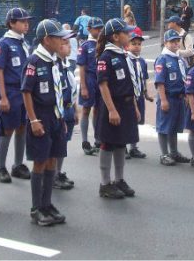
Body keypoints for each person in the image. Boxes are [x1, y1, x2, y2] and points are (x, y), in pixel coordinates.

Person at [21, 19, 72, 226]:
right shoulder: (34, 61)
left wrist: (61, 117)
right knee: (40, 161)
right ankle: (37, 208)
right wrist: (33, 120)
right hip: (40, 116)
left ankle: (47, 203)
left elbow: (59, 89)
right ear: (47, 39)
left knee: (53, 159)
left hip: (55, 118)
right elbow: (26, 92)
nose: (62, 40)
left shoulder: (55, 61)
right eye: (58, 37)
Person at [96, 18, 141, 198]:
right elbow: (103, 85)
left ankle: (119, 179)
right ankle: (105, 183)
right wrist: (112, 110)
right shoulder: (106, 57)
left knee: (121, 142)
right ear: (115, 36)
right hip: (113, 105)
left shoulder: (123, 55)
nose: (129, 35)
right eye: (126, 33)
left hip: (127, 105)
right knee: (108, 143)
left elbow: (130, 83)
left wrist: (135, 106)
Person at [0, 8, 33, 183]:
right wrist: (3, 97)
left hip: (24, 92)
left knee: (23, 127)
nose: (26, 24)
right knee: (7, 130)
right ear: (11, 23)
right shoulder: (4, 43)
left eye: (27, 21)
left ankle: (18, 164)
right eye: (22, 21)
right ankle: (0, 167)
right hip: (10, 91)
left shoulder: (24, 42)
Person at [154, 29, 190, 166]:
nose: (175, 44)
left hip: (179, 98)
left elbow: (184, 78)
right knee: (164, 126)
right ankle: (164, 154)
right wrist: (163, 100)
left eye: (177, 41)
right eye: (172, 41)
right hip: (168, 97)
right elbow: (160, 82)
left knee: (174, 126)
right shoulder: (162, 59)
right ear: (165, 43)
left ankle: (174, 152)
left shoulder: (180, 59)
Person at [78, 17, 104, 155]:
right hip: (88, 80)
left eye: (101, 28)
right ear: (89, 29)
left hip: (100, 80)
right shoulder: (85, 46)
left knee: (98, 111)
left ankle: (98, 139)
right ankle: (84, 141)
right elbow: (82, 67)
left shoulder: (103, 45)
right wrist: (83, 86)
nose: (100, 31)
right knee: (86, 110)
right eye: (97, 28)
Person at [54, 38, 78, 190]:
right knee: (57, 144)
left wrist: (75, 110)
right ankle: (53, 175)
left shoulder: (65, 66)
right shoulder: (54, 66)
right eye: (65, 44)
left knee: (63, 144)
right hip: (60, 111)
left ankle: (58, 171)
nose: (69, 47)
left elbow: (71, 89)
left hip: (68, 109)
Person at [126, 31, 151, 159]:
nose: (137, 46)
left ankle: (133, 147)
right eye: (134, 44)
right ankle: (123, 146)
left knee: (136, 121)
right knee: (127, 121)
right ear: (127, 45)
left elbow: (144, 78)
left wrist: (146, 93)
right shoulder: (126, 60)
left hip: (139, 95)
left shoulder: (142, 61)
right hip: (129, 96)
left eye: (139, 44)